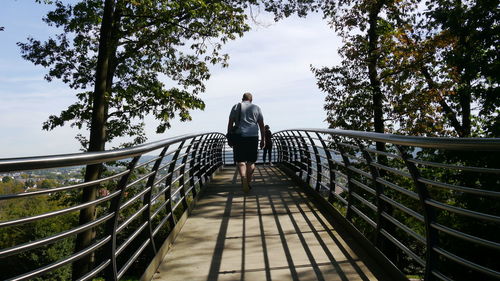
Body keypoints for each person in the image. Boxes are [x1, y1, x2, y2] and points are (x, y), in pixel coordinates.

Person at [227, 92, 265, 192]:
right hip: (253, 137)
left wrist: (229, 137)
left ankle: (243, 177)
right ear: (251, 100)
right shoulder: (256, 108)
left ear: (242, 99)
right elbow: (261, 125)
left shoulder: (236, 107)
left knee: (241, 161)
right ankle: (248, 182)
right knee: (251, 161)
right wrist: (263, 139)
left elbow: (230, 123)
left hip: (239, 136)